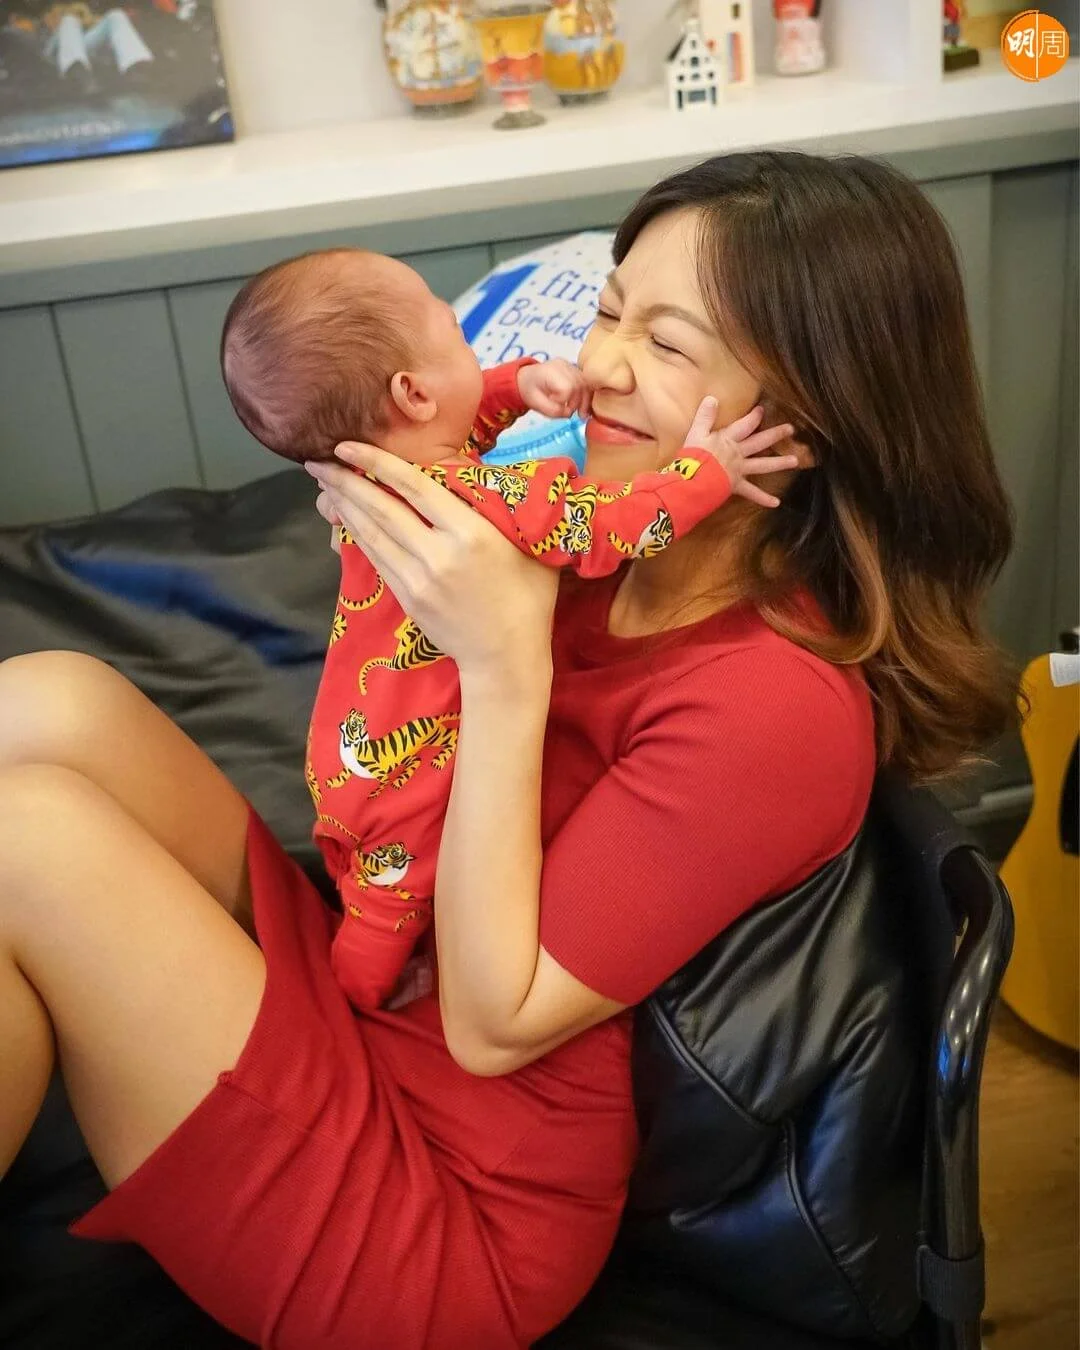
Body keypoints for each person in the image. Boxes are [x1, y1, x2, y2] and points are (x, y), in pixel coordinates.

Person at [0, 150, 1017, 1350]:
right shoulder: (607, 539)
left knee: (28, 840)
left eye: (667, 342)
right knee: (47, 701)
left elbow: (493, 1026)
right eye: (609, 308)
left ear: (810, 415)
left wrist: (501, 665)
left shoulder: (773, 709)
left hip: (451, 1205)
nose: (601, 364)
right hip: (380, 1002)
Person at [219, 247, 796, 1010]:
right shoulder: (493, 500)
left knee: (368, 890)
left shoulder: (376, 477)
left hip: (348, 752)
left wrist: (513, 386)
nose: (601, 365)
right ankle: (350, 1004)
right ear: (412, 391)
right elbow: (607, 528)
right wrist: (707, 470)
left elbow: (441, 427)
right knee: (382, 916)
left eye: (663, 341)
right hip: (405, 773)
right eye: (454, 332)